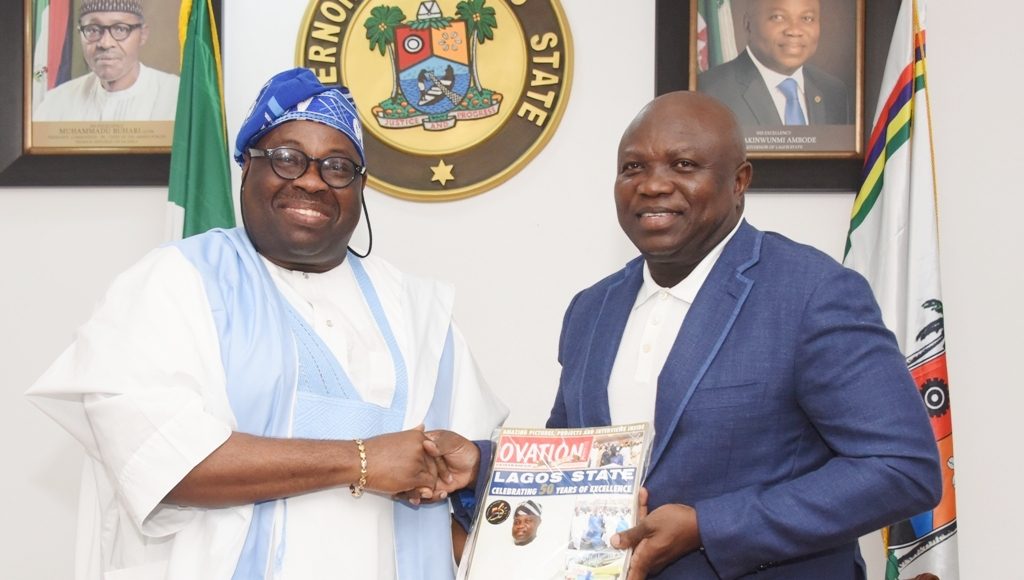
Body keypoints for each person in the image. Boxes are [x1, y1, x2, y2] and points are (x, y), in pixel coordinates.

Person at [27, 68, 507, 580]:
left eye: (337, 167)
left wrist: (475, 472)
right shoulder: (174, 284)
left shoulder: (420, 311)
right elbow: (162, 462)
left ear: (361, 186)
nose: (312, 180)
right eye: (286, 158)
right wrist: (361, 460)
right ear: (246, 168)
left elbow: (486, 504)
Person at [546, 91, 941, 579]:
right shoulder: (591, 309)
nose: (652, 185)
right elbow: (564, 462)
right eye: (632, 168)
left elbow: (901, 468)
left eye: (683, 164)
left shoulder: (811, 293)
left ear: (739, 181)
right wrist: (476, 464)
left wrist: (709, 526)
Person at [698, 0, 852, 126]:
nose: (794, 31)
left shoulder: (833, 91)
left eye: (807, 18)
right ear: (748, 24)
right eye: (778, 17)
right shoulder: (709, 92)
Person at [33, 0, 179, 121]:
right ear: (80, 33)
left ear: (143, 35)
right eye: (93, 30)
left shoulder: (177, 97)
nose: (105, 43)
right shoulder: (56, 103)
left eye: (120, 29)